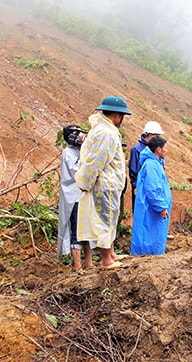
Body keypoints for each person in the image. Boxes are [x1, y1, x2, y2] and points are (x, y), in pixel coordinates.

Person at [75, 95, 132, 269]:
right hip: (104, 184)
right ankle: (106, 260)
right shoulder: (105, 133)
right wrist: (86, 182)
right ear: (116, 115)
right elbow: (96, 161)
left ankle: (112, 254)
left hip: (110, 184)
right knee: (104, 220)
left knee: (111, 218)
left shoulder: (106, 130)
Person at [57, 125, 92, 273]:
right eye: (75, 134)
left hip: (84, 196)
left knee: (87, 230)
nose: (79, 137)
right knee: (76, 231)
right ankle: (78, 266)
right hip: (74, 197)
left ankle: (89, 262)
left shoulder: (83, 151)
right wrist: (80, 150)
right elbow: (77, 171)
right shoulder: (68, 153)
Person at [130, 136, 172, 255]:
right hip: (151, 209)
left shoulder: (155, 163)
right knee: (150, 235)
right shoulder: (151, 166)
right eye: (165, 148)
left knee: (153, 233)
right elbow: (152, 189)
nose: (166, 150)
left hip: (153, 209)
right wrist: (161, 206)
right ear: (158, 149)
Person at [129, 121, 165, 211]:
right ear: (151, 135)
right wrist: (135, 185)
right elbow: (133, 170)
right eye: (157, 135)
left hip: (155, 187)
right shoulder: (136, 150)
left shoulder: (158, 150)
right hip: (141, 186)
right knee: (141, 211)